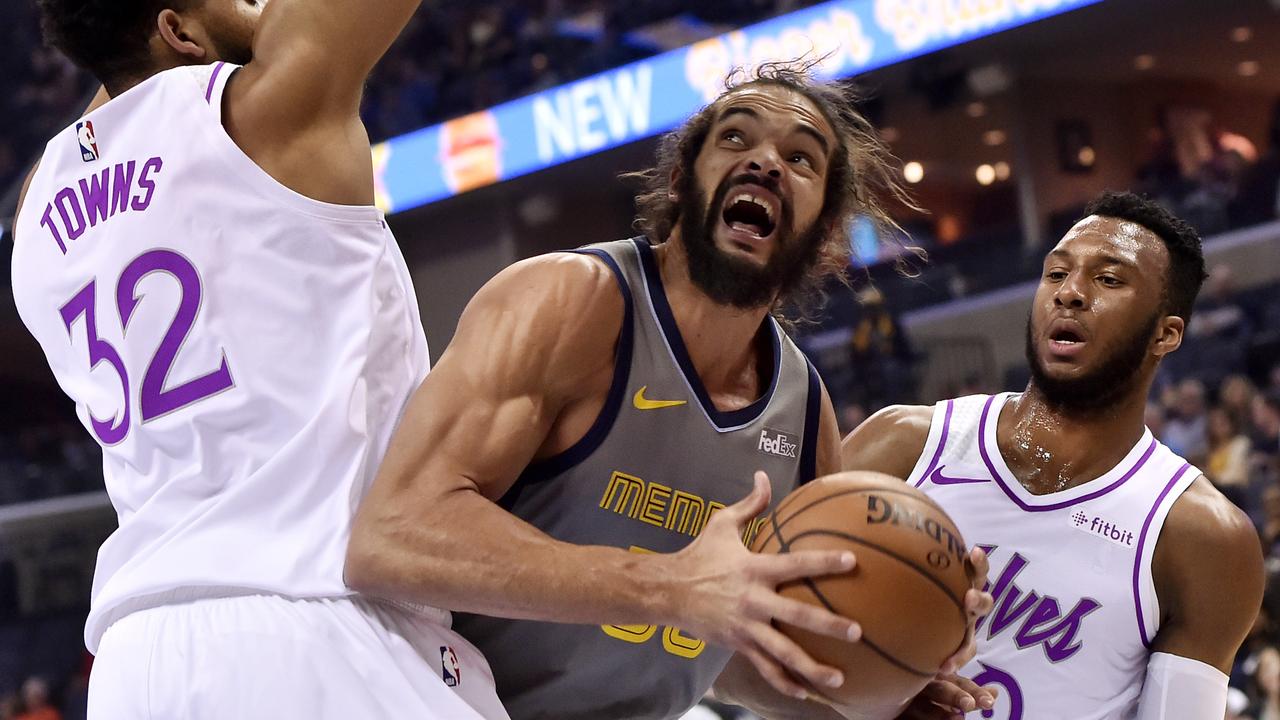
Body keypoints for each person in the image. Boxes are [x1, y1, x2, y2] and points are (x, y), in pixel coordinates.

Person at [346, 62, 992, 720]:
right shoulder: (571, 301)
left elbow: (735, 661)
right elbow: (393, 535)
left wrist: (878, 686)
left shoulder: (803, 411)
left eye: (801, 157)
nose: (766, 161)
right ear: (684, 181)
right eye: (737, 139)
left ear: (825, 229)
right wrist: (667, 587)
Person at [12, 1, 504, 718]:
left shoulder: (36, 211)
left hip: (133, 661)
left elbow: (117, 56)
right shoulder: (274, 110)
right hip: (310, 618)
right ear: (178, 31)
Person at [842, 191, 1264, 719]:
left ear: (1166, 333)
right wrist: (880, 700)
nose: (1070, 294)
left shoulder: (1200, 536)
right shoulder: (901, 446)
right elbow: (766, 657)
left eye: (1108, 279)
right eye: (1056, 274)